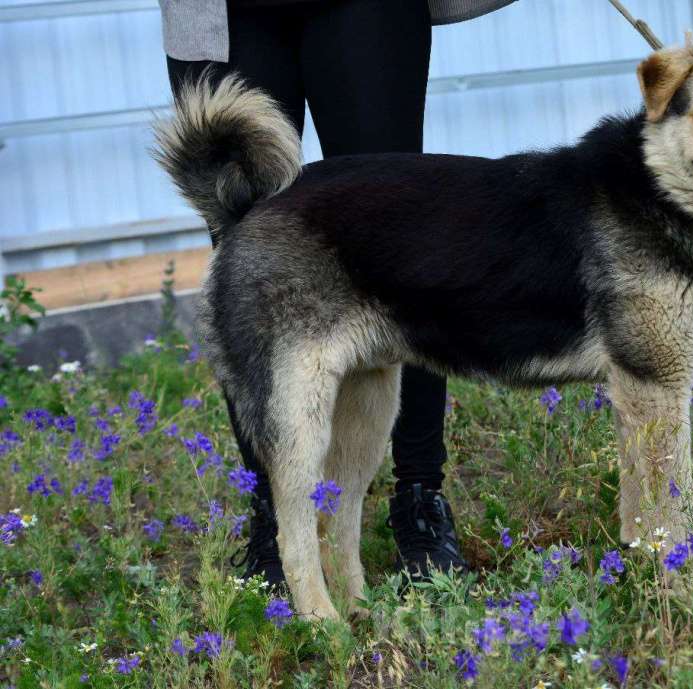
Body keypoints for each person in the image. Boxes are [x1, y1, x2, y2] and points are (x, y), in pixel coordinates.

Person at [158, 0, 515, 584]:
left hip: (364, 10)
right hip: (225, 14)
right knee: (250, 258)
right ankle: (276, 518)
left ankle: (420, 498)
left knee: (400, 243)